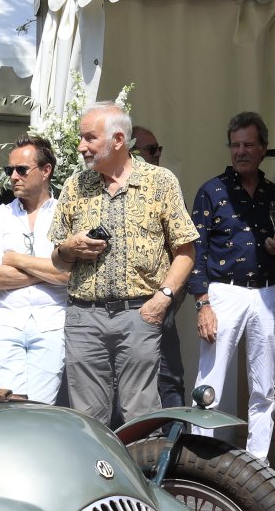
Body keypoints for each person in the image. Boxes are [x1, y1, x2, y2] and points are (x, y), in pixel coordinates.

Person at [50, 102, 196, 425]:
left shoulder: (160, 182)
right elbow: (58, 260)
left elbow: (186, 251)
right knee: (87, 420)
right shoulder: (75, 185)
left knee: (140, 416)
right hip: (84, 318)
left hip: (140, 314)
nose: (81, 146)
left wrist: (162, 300)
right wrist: (70, 248)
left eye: (89, 138)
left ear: (118, 140)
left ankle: (140, 462)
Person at [188, 111, 275, 457]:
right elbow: (196, 251)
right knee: (209, 385)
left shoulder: (274, 195)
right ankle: (200, 463)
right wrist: (203, 303)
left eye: (248, 145)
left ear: (263, 148)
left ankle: (258, 463)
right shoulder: (211, 191)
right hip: (223, 292)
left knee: (264, 387)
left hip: (266, 291)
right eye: (235, 145)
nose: (241, 152)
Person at [0, 135, 70, 402]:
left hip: (51, 324)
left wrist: (16, 259)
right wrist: (47, 269)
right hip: (6, 324)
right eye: (10, 170)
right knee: (9, 407)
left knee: (40, 408)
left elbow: (67, 275)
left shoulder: (65, 214)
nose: (13, 177)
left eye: (21, 169)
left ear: (46, 170)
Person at [128, 124, 187, 408]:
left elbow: (185, 249)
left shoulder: (166, 187)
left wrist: (169, 298)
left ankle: (175, 435)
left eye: (158, 149)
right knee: (130, 385)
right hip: (122, 309)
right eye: (151, 150)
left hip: (162, 304)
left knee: (169, 379)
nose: (157, 154)